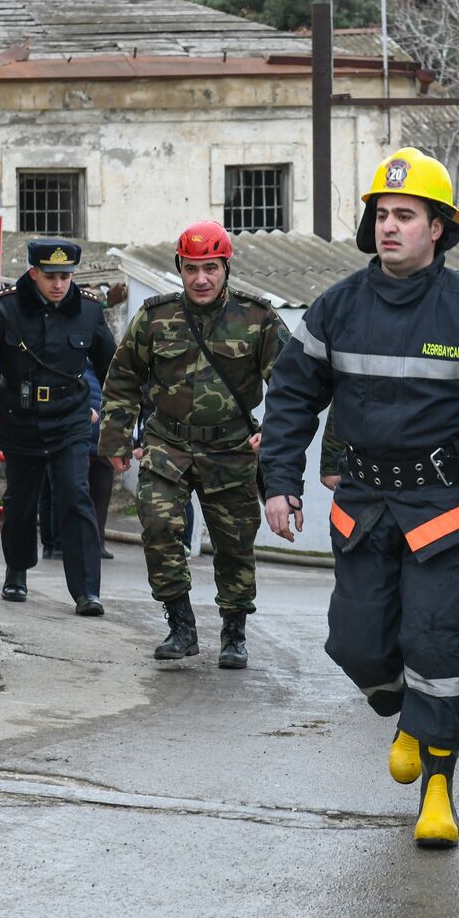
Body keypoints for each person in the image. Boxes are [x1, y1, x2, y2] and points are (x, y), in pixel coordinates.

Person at [259, 148, 459, 849]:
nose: (390, 226)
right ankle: (402, 709)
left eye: (405, 215)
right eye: (382, 215)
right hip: (365, 504)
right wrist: (277, 480)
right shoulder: (337, 306)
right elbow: (292, 395)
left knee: (435, 642)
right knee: (357, 644)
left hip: (453, 506)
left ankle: (439, 786)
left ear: (439, 228)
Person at [98, 220, 288, 666]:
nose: (201, 279)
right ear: (179, 268)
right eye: (191, 269)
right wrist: (116, 439)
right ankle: (180, 625)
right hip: (168, 447)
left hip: (232, 450)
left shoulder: (257, 319)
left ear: (226, 268)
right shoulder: (155, 316)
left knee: (235, 543)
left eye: (210, 269)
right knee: (159, 527)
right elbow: (122, 379)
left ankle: (234, 632)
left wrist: (274, 431)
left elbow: (293, 384)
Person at [0, 238, 116, 616]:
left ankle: (87, 591)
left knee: (75, 496)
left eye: (66, 276)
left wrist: (106, 413)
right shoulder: (3, 307)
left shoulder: (90, 312)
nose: (59, 284)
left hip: (71, 419)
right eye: (51, 276)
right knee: (20, 500)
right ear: (33, 272)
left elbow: (114, 368)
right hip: (21, 419)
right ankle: (17, 570)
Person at [84, 363, 115, 560]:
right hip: (84, 443)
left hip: (105, 446)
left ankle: (98, 542)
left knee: (102, 497)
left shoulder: (109, 372)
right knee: (83, 496)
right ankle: (83, 542)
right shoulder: (79, 368)